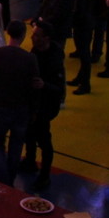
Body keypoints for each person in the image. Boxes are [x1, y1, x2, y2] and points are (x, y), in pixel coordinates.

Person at [0, 19, 39, 186]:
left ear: (8, 32)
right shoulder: (30, 58)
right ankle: (9, 179)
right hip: (21, 109)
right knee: (16, 147)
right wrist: (33, 111)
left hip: (1, 107)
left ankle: (4, 180)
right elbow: (34, 88)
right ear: (23, 35)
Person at [22, 21, 66, 191]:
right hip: (34, 101)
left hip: (46, 104)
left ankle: (45, 174)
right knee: (29, 133)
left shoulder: (54, 59)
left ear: (46, 38)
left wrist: (44, 85)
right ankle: (30, 160)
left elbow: (59, 88)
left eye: (36, 35)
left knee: (44, 139)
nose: (32, 37)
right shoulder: (35, 52)